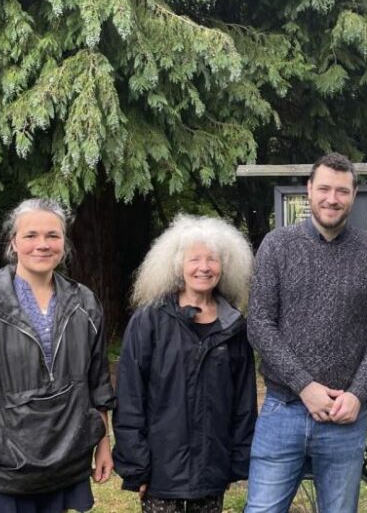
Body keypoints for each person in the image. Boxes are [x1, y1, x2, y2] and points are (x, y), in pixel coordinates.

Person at [0, 198, 115, 511]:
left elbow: (96, 382)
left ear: (64, 243)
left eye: (52, 235)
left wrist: (102, 444)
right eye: (30, 235)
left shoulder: (84, 302)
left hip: (64, 462)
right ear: (13, 242)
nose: (42, 245)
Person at [244, 152, 367, 513]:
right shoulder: (277, 246)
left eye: (342, 191)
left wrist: (358, 394)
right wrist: (305, 386)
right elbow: (260, 324)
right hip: (283, 409)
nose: (332, 198)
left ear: (353, 195)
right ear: (309, 190)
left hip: (346, 415)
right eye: (324, 188)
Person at [112, 215, 258, 513]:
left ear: (224, 265)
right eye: (194, 259)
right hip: (161, 474)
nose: (203, 267)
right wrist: (136, 466)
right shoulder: (150, 320)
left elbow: (244, 404)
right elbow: (130, 399)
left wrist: (236, 461)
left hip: (211, 473)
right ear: (178, 265)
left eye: (212, 259)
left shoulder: (234, 327)